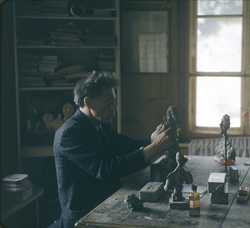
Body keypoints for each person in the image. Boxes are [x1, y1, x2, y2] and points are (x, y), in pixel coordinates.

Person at [52, 71, 173, 228]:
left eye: (114, 102)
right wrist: (155, 147)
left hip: (105, 206)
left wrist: (151, 139)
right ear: (88, 102)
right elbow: (105, 169)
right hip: (83, 217)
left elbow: (123, 145)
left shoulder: (99, 124)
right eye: (108, 103)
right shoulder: (69, 134)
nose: (114, 108)